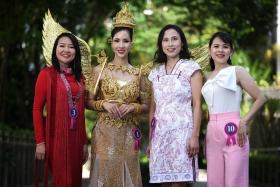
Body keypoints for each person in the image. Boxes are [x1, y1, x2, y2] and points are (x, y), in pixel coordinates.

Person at [87, 3, 150, 187]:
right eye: (117, 40)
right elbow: (88, 102)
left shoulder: (140, 74)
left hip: (129, 134)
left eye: (125, 41)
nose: (121, 45)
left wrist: (133, 106)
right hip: (104, 132)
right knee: (103, 178)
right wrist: (104, 104)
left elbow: (147, 106)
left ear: (132, 43)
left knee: (128, 176)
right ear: (111, 42)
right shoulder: (99, 70)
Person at [201, 31, 266, 187]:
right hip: (212, 132)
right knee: (215, 182)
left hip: (234, 130)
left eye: (225, 46)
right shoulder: (206, 76)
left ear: (231, 51)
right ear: (210, 51)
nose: (220, 50)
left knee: (234, 182)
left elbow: (261, 97)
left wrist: (244, 121)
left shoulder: (238, 71)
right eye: (216, 46)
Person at [148, 24, 203, 187]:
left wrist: (195, 136)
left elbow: (198, 105)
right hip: (160, 137)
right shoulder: (155, 73)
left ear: (182, 43)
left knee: (180, 184)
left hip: (183, 136)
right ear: (160, 45)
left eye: (174, 39)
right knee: (163, 182)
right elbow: (153, 109)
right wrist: (151, 140)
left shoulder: (192, 68)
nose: (170, 44)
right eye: (165, 40)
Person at [33, 32, 88, 187]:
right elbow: (37, 109)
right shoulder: (46, 75)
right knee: (64, 181)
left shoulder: (80, 78)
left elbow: (81, 113)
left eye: (71, 47)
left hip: (76, 141)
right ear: (55, 49)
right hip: (56, 139)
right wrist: (40, 142)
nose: (66, 50)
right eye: (62, 46)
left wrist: (84, 143)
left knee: (75, 181)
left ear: (76, 51)